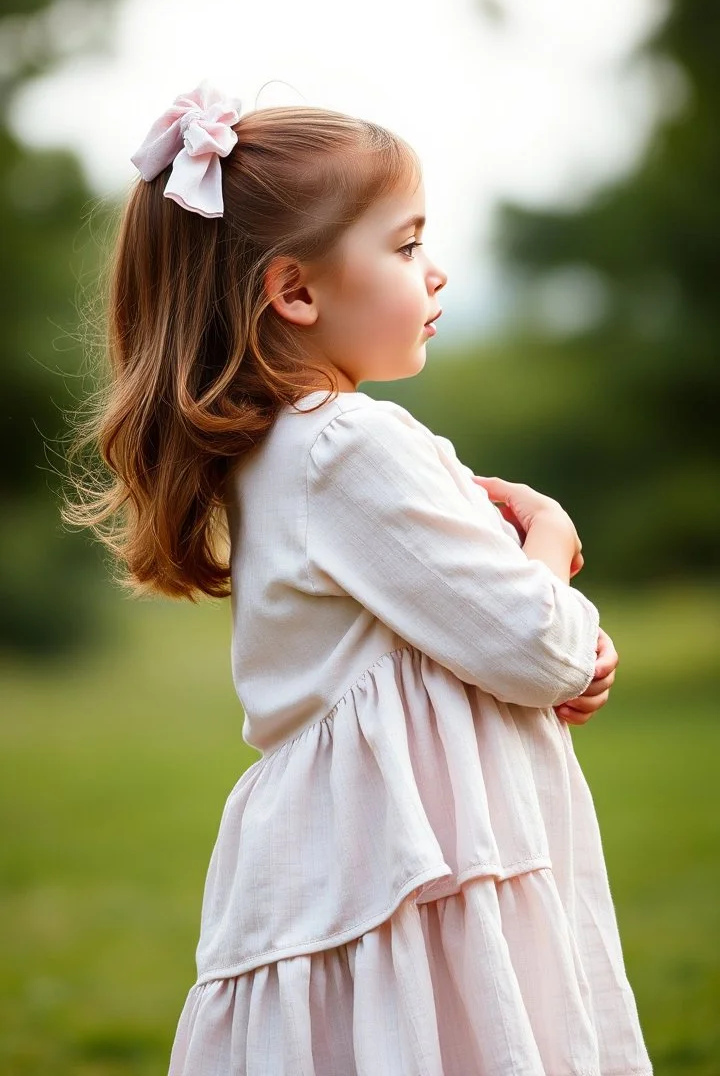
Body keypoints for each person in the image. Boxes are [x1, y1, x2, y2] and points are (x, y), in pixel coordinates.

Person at [64, 80, 653, 1075]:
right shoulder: (346, 444)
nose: (437, 273)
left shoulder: (282, 452)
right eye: (408, 243)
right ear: (296, 291)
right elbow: (538, 645)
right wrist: (549, 538)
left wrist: (543, 641)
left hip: (361, 858)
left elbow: (482, 640)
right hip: (407, 869)